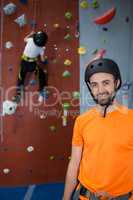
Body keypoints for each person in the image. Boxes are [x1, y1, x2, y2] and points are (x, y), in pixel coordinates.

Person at [62, 57, 133, 200]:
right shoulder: (82, 121)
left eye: (106, 83)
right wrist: (65, 198)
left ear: (116, 83)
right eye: (94, 85)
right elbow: (74, 163)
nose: (100, 90)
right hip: (85, 196)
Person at [13, 30, 48, 103]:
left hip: (24, 62)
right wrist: (45, 59)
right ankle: (42, 89)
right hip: (32, 65)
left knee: (21, 77)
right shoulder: (41, 48)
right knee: (41, 74)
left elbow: (24, 39)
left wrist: (30, 34)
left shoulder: (31, 39)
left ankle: (19, 94)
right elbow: (42, 59)